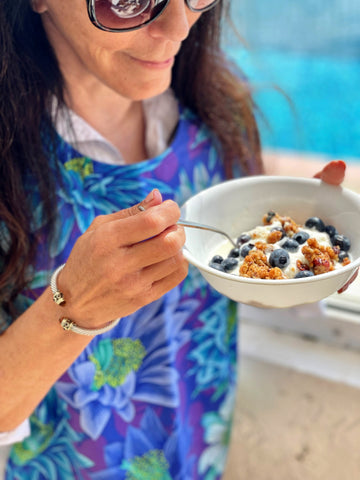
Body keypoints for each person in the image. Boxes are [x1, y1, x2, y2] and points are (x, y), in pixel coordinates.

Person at [0, 0, 351, 479]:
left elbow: (226, 289)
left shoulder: (216, 115)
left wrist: (305, 249)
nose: (178, 28)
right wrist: (72, 309)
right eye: (129, 0)